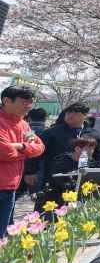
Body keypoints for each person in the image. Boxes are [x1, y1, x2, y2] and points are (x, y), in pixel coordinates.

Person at [0, 87, 46, 234]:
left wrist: (20, 146)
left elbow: (40, 147)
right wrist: (27, 151)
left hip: (11, 187)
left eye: (31, 102)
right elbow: (4, 151)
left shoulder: (24, 125)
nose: (29, 106)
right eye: (24, 102)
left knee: (2, 233)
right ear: (7, 101)